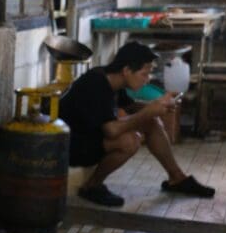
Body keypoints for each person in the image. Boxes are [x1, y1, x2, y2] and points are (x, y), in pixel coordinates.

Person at [59, 41, 215, 207]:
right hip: (67, 148)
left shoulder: (113, 79)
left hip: (88, 137)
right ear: (127, 71)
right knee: (130, 141)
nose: (147, 80)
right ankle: (92, 186)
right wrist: (148, 111)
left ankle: (177, 178)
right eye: (144, 74)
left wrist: (159, 105)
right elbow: (111, 130)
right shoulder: (96, 84)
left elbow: (132, 106)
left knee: (151, 121)